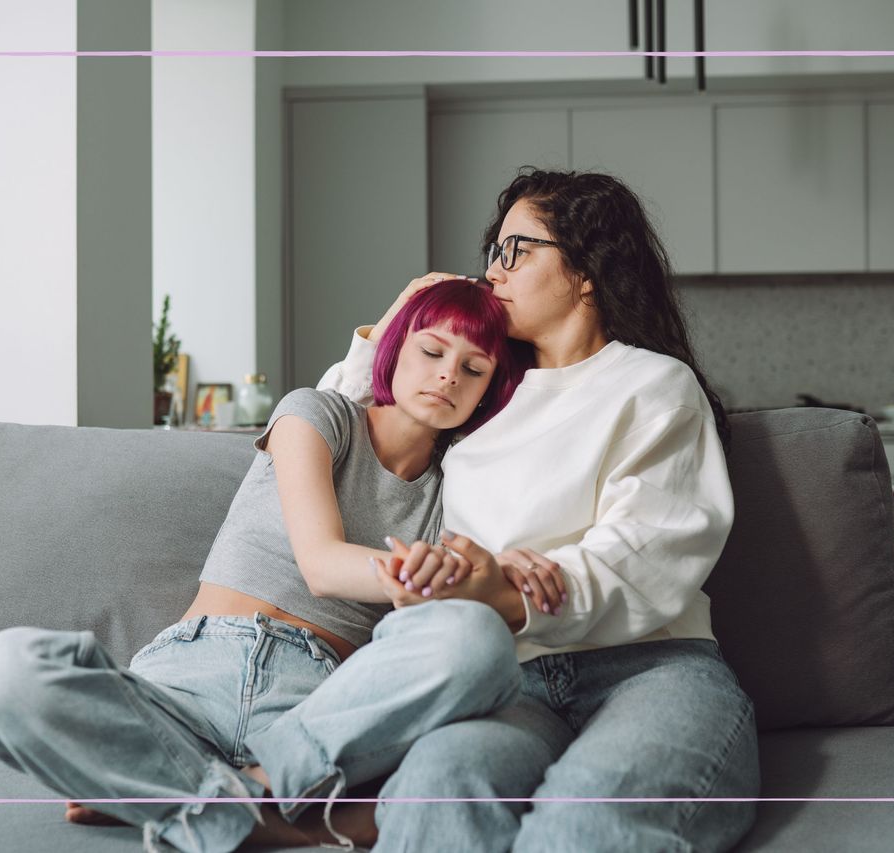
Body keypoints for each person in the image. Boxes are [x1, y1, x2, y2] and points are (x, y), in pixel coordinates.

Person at [0, 280, 531, 853]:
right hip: (184, 684)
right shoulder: (316, 414)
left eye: (473, 368)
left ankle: (184, 795)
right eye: (432, 351)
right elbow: (322, 565)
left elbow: (443, 620)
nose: (448, 374)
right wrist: (422, 575)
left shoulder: (454, 495)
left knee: (478, 640)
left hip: (316, 711)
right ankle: (286, 821)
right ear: (395, 349)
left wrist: (490, 575)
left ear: (487, 391)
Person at [318, 168, 761, 852]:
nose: (493, 270)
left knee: (583, 823)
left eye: (515, 249)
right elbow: (345, 433)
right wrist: (399, 320)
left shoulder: (654, 385)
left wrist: (510, 587)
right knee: (432, 792)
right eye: (493, 250)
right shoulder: (478, 392)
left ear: (586, 271)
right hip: (507, 680)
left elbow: (648, 549)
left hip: (651, 665)